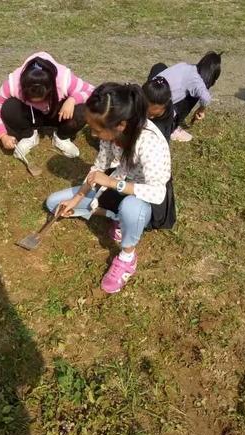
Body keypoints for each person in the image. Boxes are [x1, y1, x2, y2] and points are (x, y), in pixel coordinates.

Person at [46, 83, 173, 294]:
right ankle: (113, 215)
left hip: (145, 197)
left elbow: (158, 193)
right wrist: (76, 199)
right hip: (117, 184)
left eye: (97, 130)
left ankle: (127, 257)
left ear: (121, 125)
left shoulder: (149, 142)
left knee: (131, 208)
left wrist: (113, 183)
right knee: (54, 203)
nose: (93, 135)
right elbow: (99, 168)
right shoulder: (112, 135)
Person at [0, 51, 94, 159]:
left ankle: (62, 137)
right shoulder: (13, 83)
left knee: (84, 109)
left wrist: (72, 99)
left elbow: (93, 91)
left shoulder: (63, 79)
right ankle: (29, 135)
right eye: (32, 100)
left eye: (42, 99)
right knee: (9, 107)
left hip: (58, 113)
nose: (38, 103)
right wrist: (3, 136)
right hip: (30, 116)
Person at [150, 51, 222, 142]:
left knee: (160, 67)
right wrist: (201, 109)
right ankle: (173, 127)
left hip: (151, 93)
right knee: (195, 95)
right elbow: (206, 98)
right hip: (159, 111)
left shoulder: (184, 66)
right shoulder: (196, 81)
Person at [142, 76, 174, 143]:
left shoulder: (169, 110)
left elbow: (166, 135)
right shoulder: (133, 105)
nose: (150, 117)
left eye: (156, 115)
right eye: (147, 113)